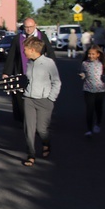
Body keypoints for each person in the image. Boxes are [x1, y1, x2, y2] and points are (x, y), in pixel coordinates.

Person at [2, 17, 56, 121]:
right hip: (21, 72)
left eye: (31, 27)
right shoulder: (18, 38)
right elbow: (12, 56)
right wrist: (6, 72)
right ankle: (25, 119)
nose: (28, 29)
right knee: (21, 99)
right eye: (26, 27)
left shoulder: (41, 37)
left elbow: (50, 52)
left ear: (35, 26)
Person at [21, 37, 61, 166]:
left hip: (44, 100)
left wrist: (51, 99)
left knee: (41, 129)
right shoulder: (29, 63)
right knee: (29, 128)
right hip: (29, 99)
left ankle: (46, 143)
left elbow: (56, 82)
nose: (24, 52)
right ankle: (31, 155)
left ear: (33, 50)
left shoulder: (48, 63)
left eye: (25, 49)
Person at [79, 45, 105, 136]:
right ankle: (89, 129)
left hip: (100, 90)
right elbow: (83, 72)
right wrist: (82, 75)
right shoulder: (85, 63)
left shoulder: (103, 64)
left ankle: (98, 123)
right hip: (88, 89)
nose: (90, 56)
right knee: (89, 109)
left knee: (98, 109)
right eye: (89, 54)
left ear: (98, 55)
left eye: (93, 54)